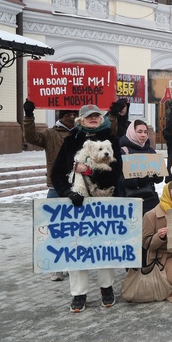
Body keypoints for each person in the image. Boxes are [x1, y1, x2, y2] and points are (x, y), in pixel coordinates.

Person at [51, 104, 123, 312]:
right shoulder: (70, 141)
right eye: (89, 116)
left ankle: (106, 288)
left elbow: (116, 172)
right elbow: (57, 173)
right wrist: (68, 192)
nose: (93, 118)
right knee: (77, 247)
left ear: (101, 119)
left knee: (105, 246)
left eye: (96, 116)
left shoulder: (112, 141)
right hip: (77, 203)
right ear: (80, 120)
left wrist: (90, 172)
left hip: (105, 200)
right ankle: (79, 294)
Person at [23, 100, 79, 281]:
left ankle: (72, 262)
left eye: (74, 114)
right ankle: (58, 266)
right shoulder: (50, 133)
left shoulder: (81, 134)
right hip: (56, 186)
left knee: (75, 228)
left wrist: (116, 115)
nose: (71, 116)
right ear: (61, 115)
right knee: (56, 228)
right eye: (68, 114)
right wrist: (29, 116)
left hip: (79, 185)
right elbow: (31, 137)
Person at [119, 120, 164, 214]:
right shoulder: (123, 151)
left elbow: (159, 179)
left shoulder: (150, 151)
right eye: (139, 132)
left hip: (150, 199)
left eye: (145, 132)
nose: (143, 135)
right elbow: (120, 179)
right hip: (129, 200)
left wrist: (156, 175)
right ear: (132, 132)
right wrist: (139, 180)